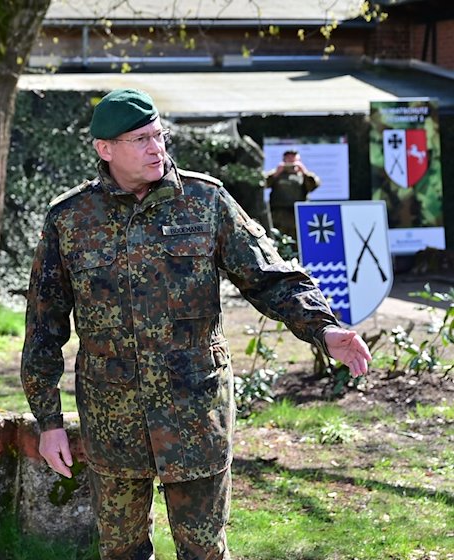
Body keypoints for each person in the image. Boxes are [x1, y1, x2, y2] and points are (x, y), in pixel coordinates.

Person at [20, 88, 370, 560]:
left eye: (158, 135)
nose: (156, 149)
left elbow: (270, 278)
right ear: (105, 150)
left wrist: (324, 330)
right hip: (112, 419)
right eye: (140, 139)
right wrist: (49, 421)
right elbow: (44, 325)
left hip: (194, 415)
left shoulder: (206, 202)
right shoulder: (70, 219)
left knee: (204, 552)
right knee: (121, 551)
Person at [264, 149, 320, 241]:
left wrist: (304, 172)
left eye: (293, 158)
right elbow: (263, 184)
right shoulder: (277, 174)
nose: (291, 160)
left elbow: (314, 186)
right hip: (278, 215)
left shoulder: (303, 175)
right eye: (288, 158)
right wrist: (276, 173)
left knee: (298, 241)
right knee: (278, 240)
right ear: (284, 160)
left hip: (297, 215)